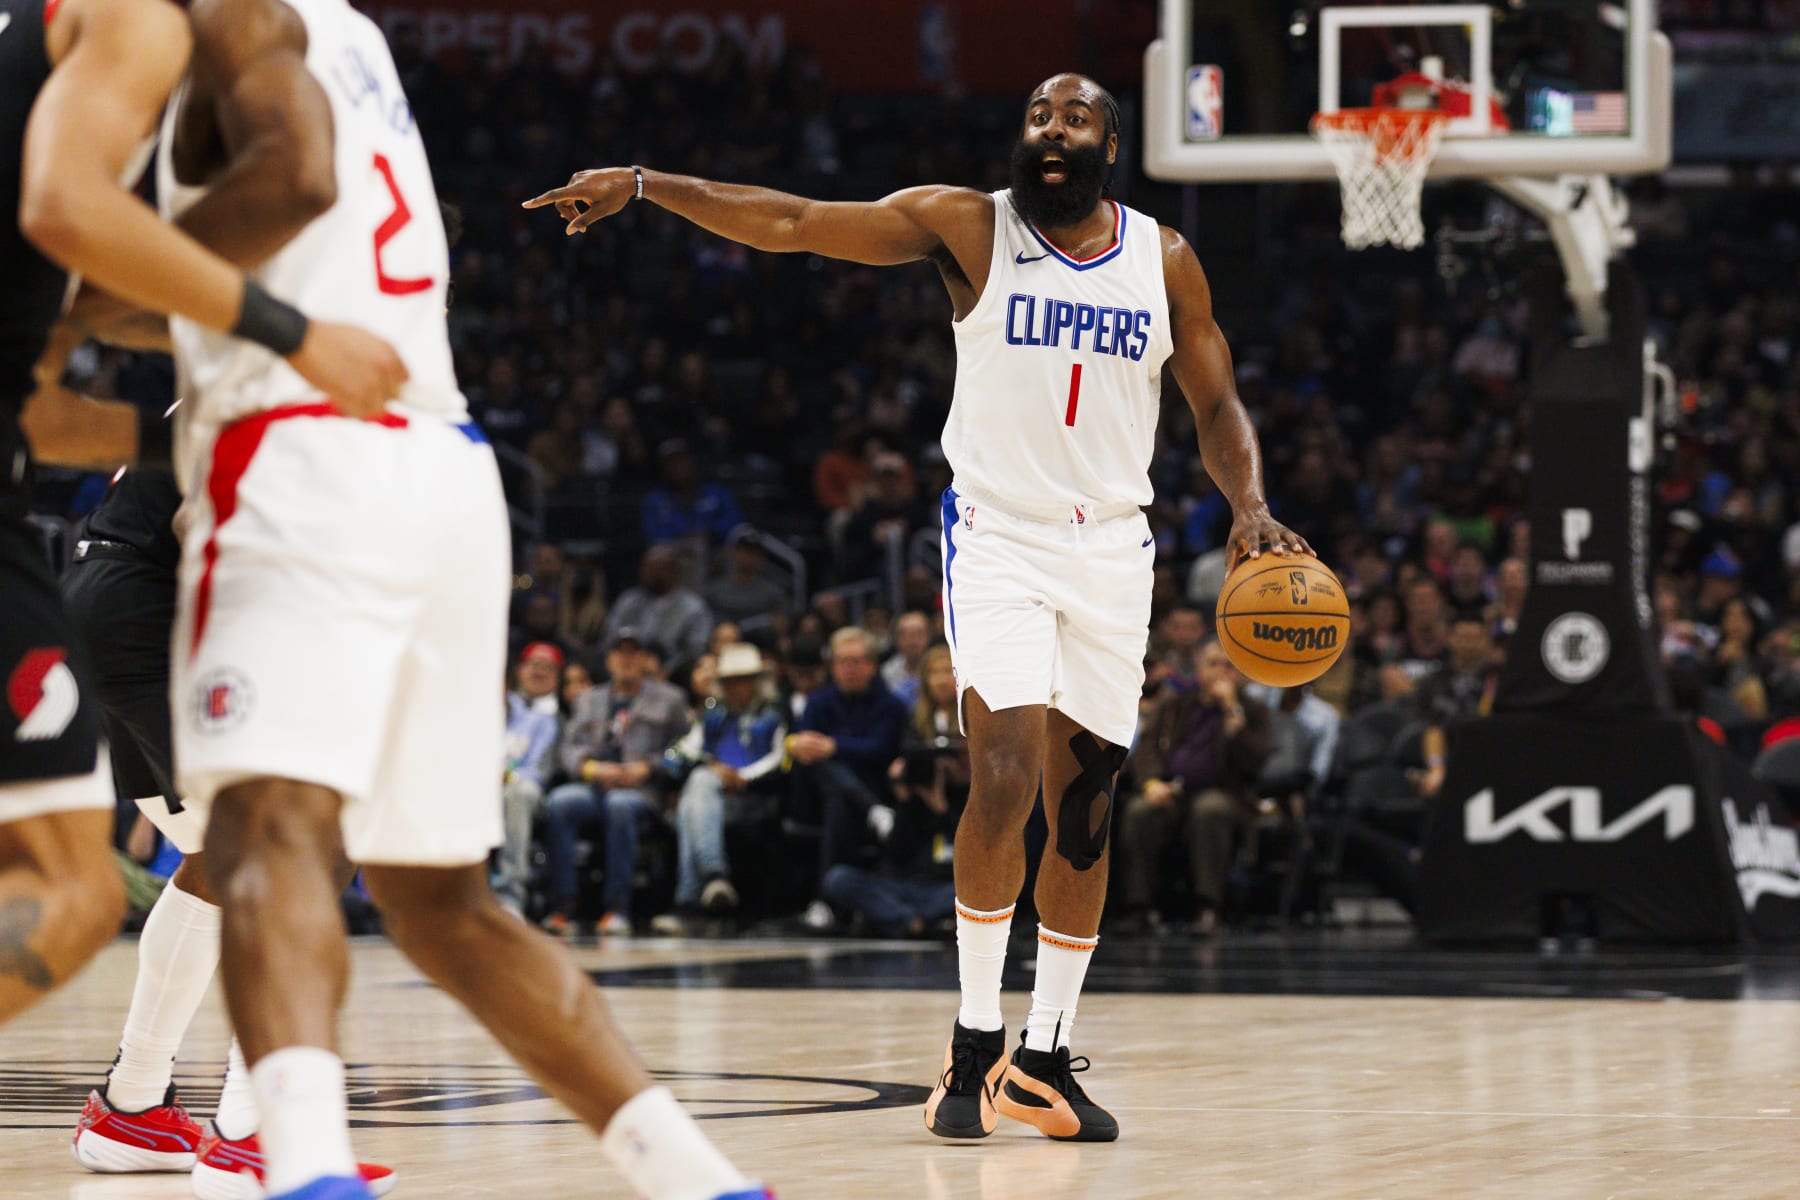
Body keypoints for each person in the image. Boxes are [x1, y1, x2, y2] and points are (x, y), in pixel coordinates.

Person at [529, 70, 1304, 1144]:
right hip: (999, 537)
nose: (1050, 130)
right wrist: (652, 185)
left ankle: (1042, 1058)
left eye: (1074, 118)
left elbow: (1216, 401)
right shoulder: (969, 228)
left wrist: (1251, 505)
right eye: (1036, 114)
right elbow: (797, 222)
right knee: (1002, 778)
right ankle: (973, 1044)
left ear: (1110, 144)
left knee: (1085, 809)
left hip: (1115, 550)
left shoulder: (1163, 258)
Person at [146, 2, 768, 1197]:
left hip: (300, 443)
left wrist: (82, 285)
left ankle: (308, 1171)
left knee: (264, 833)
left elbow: (292, 180)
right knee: (444, 907)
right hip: (442, 459)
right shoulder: (353, 32)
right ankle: (699, 1182)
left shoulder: (221, 16)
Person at [0, 0, 406, 1037]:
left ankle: (148, 1107)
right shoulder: (131, 19)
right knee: (220, 857)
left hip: (55, 551)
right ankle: (228, 1122)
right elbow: (68, 210)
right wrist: (291, 331)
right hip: (130, 602)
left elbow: (45, 411)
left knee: (75, 884)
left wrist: (186, 418)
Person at [1116, 640, 1272, 936]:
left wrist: (1231, 712)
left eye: (1229, 666)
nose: (1221, 673)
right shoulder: (1176, 705)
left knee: (1209, 809)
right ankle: (1138, 909)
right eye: (1214, 664)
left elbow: (1255, 761)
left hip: (1226, 794)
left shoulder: (1252, 710)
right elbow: (1146, 749)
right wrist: (1151, 783)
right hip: (1172, 790)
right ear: (1199, 669)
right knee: (1139, 811)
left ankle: (1208, 909)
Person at [541, 629, 690, 935]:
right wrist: (589, 768)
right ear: (609, 660)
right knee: (560, 803)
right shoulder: (588, 699)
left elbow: (684, 749)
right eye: (620, 653)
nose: (627, 660)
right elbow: (567, 747)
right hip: (595, 785)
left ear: (646, 660)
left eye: (634, 653)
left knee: (619, 805)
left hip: (641, 790)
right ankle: (563, 905)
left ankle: (617, 907)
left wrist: (648, 768)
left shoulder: (670, 698)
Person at [822, 646, 968, 937]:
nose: (940, 680)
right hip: (903, 881)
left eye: (946, 673)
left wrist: (941, 808)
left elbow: (961, 853)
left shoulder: (973, 739)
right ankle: (913, 921)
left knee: (974, 894)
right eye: (934, 673)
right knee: (839, 879)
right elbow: (897, 854)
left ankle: (899, 919)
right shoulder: (912, 728)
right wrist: (904, 797)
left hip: (947, 882)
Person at [654, 642, 788, 929]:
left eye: (742, 681)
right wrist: (711, 768)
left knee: (692, 801)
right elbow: (674, 757)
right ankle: (713, 878)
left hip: (755, 798)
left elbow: (782, 760)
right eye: (729, 681)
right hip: (713, 797)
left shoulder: (774, 714)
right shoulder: (713, 716)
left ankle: (689, 900)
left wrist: (743, 778)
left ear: (755, 682)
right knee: (699, 787)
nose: (735, 688)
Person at [788, 626, 911, 929]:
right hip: (812, 795)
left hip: (870, 786)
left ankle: (827, 901)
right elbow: (804, 745)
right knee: (821, 766)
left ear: (872, 665)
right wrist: (809, 746)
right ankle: (872, 810)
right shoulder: (819, 701)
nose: (849, 669)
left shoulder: (891, 705)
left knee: (838, 797)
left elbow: (881, 750)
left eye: (856, 661)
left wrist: (834, 746)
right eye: (842, 662)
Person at [496, 648, 564, 916]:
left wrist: (505, 777)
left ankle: (509, 896)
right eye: (533, 664)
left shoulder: (547, 719)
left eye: (547, 667)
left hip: (525, 791)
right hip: (481, 789)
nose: (538, 671)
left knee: (518, 794)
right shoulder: (487, 709)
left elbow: (539, 771)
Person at [605, 545, 715, 685]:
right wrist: (639, 663)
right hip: (629, 668)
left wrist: (667, 668)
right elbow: (610, 637)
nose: (648, 573)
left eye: (656, 568)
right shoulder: (629, 601)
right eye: (646, 567)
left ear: (673, 571)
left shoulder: (693, 607)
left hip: (676, 676)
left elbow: (696, 648)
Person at [880, 611, 933, 707]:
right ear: (896, 639)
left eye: (918, 634)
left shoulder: (940, 666)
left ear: (929, 636)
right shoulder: (887, 671)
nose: (912, 641)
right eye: (905, 635)